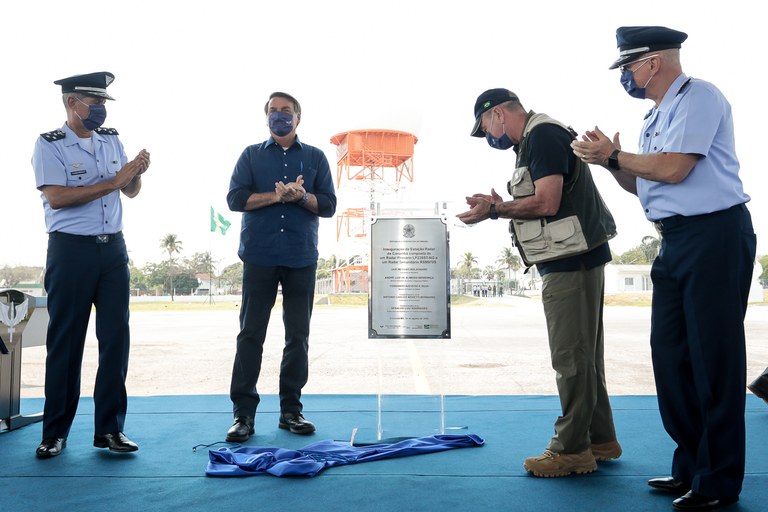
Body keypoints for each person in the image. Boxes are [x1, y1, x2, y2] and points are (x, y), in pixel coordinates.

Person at [571, 26, 756, 511]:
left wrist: (614, 154)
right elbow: (646, 186)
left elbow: (676, 169)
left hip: (714, 234)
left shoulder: (699, 98)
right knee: (671, 356)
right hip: (674, 240)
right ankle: (691, 467)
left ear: (653, 61)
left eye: (628, 67)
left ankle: (718, 481)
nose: (626, 77)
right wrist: (611, 164)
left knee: (713, 359)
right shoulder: (654, 116)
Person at [458, 88, 621, 477]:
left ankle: (571, 450)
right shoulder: (535, 138)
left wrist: (495, 210)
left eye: (484, 127)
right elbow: (546, 200)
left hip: (571, 263)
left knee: (570, 358)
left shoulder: (542, 136)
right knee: (585, 358)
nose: (487, 137)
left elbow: (547, 202)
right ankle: (600, 439)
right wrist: (502, 203)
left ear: (498, 114)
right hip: (575, 259)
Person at [31, 72, 150, 458]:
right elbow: (58, 197)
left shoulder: (111, 139)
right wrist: (115, 181)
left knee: (116, 340)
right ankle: (55, 433)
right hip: (71, 252)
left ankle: (110, 431)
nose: (98, 109)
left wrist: (134, 176)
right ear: (72, 103)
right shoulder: (50, 145)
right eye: (92, 102)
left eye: (102, 103)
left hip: (112, 251)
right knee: (66, 343)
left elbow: (128, 190)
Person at [225, 92, 336, 441]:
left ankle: (291, 410)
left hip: (301, 257)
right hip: (260, 256)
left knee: (297, 336)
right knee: (250, 335)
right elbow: (235, 199)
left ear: (298, 117)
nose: (279, 116)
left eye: (286, 111)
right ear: (266, 118)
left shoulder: (316, 158)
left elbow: (330, 205)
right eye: (273, 111)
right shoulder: (251, 156)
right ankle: (243, 415)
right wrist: (276, 195)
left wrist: (302, 197)